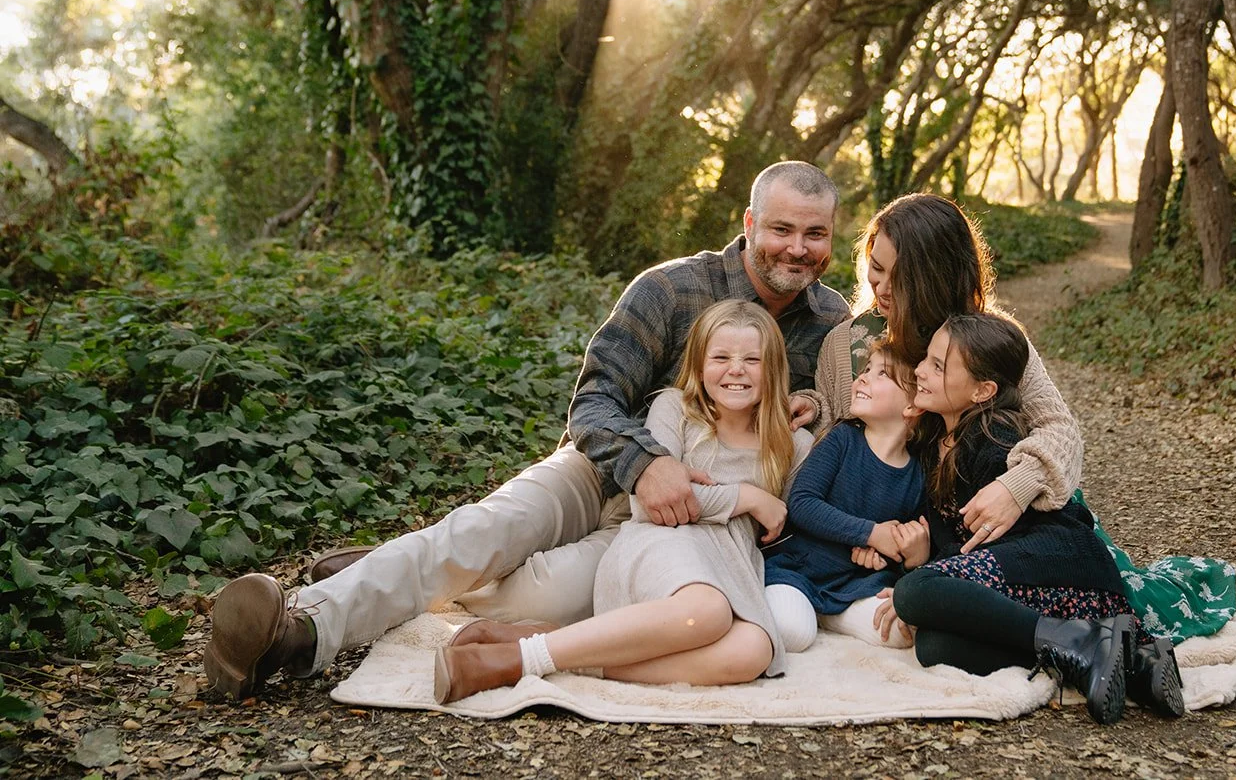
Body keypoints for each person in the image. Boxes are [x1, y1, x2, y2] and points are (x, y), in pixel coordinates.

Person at [202, 163, 851, 701]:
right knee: (485, 532)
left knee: (561, 604)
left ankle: (391, 571)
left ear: (831, 237)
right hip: (601, 470)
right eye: (782, 228)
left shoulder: (831, 321)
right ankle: (297, 628)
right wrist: (648, 464)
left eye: (815, 233)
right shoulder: (672, 288)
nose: (798, 248)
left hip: (690, 530)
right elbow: (594, 401)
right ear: (748, 224)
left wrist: (811, 410)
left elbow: (835, 414)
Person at [810, 193, 1236, 648]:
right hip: (924, 530)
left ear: (935, 277)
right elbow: (837, 438)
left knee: (1125, 601)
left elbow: (1059, 428)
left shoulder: (988, 338)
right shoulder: (848, 344)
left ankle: (1204, 581)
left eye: (901, 276)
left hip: (1011, 514)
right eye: (876, 267)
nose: (881, 287)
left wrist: (1016, 488)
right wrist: (812, 407)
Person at [434, 301, 808, 700]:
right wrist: (746, 497)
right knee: (708, 609)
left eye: (752, 359)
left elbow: (799, 516)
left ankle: (552, 647)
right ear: (699, 366)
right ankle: (507, 663)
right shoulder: (675, 409)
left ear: (773, 370)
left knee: (753, 651)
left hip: (732, 565)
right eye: (721, 357)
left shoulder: (792, 445)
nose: (736, 369)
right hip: (663, 543)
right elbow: (652, 502)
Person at [887, 314, 1153, 725]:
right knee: (934, 647)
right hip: (1019, 583)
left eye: (938, 367)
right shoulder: (933, 444)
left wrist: (929, 577)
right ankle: (1128, 661)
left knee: (912, 592)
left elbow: (991, 546)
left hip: (1062, 566)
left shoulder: (995, 438)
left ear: (982, 391)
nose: (920, 370)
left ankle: (1085, 640)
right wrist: (926, 558)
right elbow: (963, 549)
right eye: (927, 359)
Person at [762, 339, 928, 652]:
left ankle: (829, 615)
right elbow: (802, 504)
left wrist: (901, 557)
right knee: (792, 632)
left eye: (881, 374)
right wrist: (871, 533)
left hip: (854, 581)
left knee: (898, 635)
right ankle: (810, 609)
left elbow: (898, 544)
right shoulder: (842, 439)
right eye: (865, 370)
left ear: (912, 405)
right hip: (800, 569)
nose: (862, 377)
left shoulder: (917, 475)